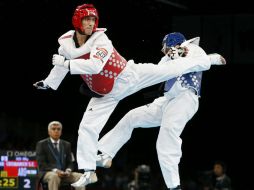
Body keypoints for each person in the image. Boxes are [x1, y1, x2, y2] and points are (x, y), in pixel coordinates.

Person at [33, 3, 224, 188]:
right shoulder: (66, 44)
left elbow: (94, 66)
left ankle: (174, 186)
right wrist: (49, 83)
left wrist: (203, 58)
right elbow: (61, 64)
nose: (91, 23)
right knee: (114, 121)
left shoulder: (102, 40)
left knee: (166, 134)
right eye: (87, 20)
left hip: (147, 85)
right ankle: (98, 162)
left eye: (93, 20)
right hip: (122, 95)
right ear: (77, 21)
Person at [96, 32, 226, 190]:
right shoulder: (166, 58)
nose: (163, 52)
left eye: (165, 48)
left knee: (167, 133)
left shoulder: (192, 48)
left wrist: (211, 59)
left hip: (185, 97)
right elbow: (155, 72)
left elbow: (201, 63)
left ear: (173, 43)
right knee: (132, 117)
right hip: (166, 101)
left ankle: (174, 186)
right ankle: (107, 154)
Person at [36, 121, 85, 190]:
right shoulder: (42, 144)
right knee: (54, 176)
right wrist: (56, 170)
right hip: (47, 173)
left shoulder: (67, 144)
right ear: (49, 132)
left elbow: (70, 162)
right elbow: (41, 164)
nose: (56, 131)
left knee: (81, 177)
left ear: (61, 132)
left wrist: (68, 170)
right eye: (53, 129)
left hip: (64, 173)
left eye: (58, 129)